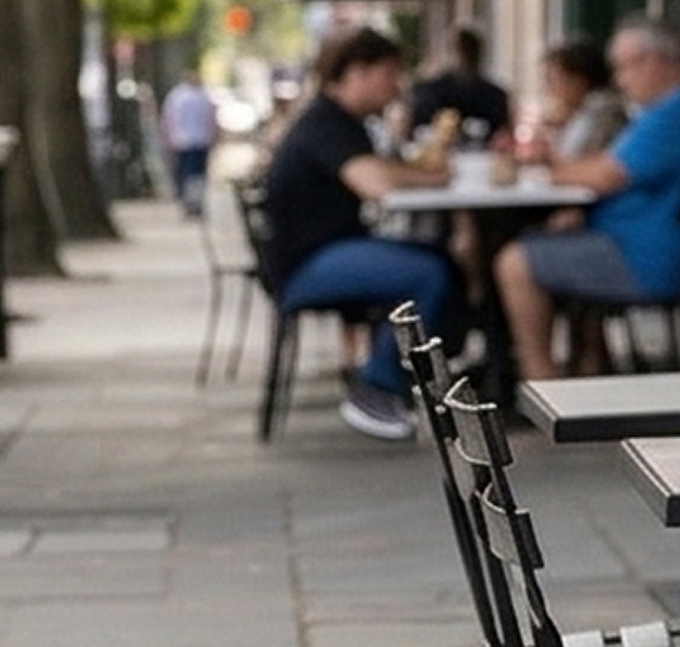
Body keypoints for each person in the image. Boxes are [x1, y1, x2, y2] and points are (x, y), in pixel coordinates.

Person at [495, 15, 680, 380]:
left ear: (653, 62)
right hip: (642, 245)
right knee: (550, 240)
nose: (620, 80)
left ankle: (540, 381)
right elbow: (611, 166)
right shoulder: (675, 110)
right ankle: (587, 366)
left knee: (515, 262)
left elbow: (606, 174)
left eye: (625, 68)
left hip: (647, 260)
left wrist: (549, 168)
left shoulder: (674, 114)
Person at [257, 27, 459, 441]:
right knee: (431, 273)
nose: (396, 86)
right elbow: (376, 184)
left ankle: (436, 377)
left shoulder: (340, 121)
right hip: (306, 266)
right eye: (389, 74)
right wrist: (434, 179)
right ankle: (377, 388)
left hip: (326, 250)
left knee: (442, 260)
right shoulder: (326, 124)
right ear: (358, 71)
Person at [404, 26, 514, 156]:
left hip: (483, 160)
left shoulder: (494, 95)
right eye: (460, 51)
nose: (464, 57)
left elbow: (504, 134)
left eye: (469, 51)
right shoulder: (430, 90)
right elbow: (414, 130)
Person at [523, 39, 626, 163]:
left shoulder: (603, 112)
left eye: (552, 79)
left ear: (578, 81)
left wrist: (544, 155)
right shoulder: (584, 110)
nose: (547, 88)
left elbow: (576, 161)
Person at [160, 75, 219, 218]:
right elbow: (211, 119)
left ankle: (188, 201)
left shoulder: (175, 97)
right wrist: (215, 137)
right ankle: (196, 201)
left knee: (185, 172)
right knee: (198, 173)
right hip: (201, 140)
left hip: (182, 141)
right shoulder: (203, 96)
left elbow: (168, 119)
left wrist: (168, 139)